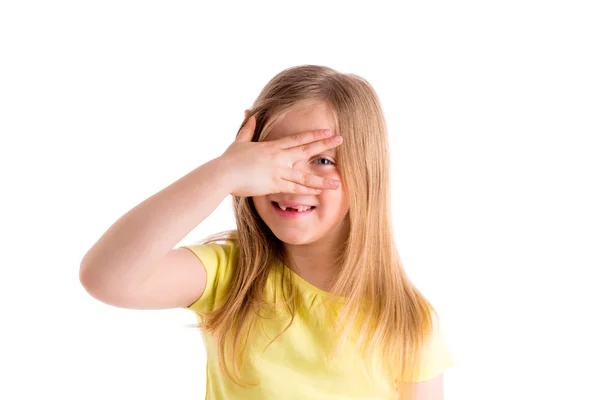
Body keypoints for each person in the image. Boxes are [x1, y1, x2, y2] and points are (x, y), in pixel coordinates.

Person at [79, 64, 455, 399]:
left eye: (323, 160)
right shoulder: (230, 276)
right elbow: (107, 278)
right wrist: (221, 173)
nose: (292, 181)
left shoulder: (407, 321)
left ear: (366, 172)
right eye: (273, 157)